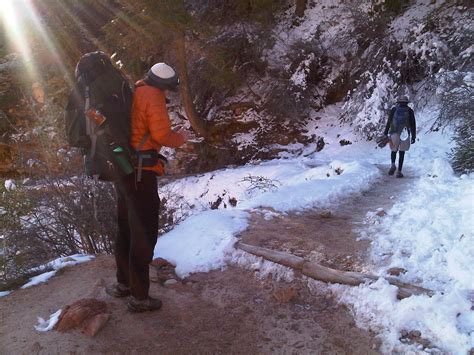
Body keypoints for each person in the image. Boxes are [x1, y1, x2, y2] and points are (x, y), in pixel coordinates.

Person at [106, 63, 187, 312]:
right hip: (141, 173)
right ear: (165, 85)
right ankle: (140, 298)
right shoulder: (153, 96)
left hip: (124, 168)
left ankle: (124, 285)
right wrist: (181, 138)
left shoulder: (138, 90)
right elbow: (162, 134)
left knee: (125, 228)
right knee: (144, 233)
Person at [383, 95, 416, 178]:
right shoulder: (410, 111)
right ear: (406, 103)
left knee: (393, 150)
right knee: (402, 152)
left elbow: (389, 122)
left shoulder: (394, 110)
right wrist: (413, 136)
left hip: (394, 132)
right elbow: (413, 124)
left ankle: (393, 164)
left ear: (398, 102)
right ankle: (399, 171)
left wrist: (385, 133)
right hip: (405, 133)